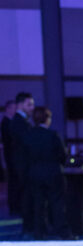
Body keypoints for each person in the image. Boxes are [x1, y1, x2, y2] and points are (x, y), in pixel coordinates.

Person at [26, 106, 70, 239]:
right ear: (47, 119)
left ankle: (39, 232)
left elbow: (24, 155)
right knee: (57, 203)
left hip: (35, 173)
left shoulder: (29, 135)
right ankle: (61, 232)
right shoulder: (53, 135)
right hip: (53, 173)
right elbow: (62, 155)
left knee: (38, 204)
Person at [9, 92, 35, 236]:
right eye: (29, 104)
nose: (32, 107)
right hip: (24, 166)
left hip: (24, 165)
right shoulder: (19, 122)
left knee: (27, 196)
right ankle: (28, 227)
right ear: (20, 105)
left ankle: (29, 226)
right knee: (26, 196)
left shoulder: (21, 121)